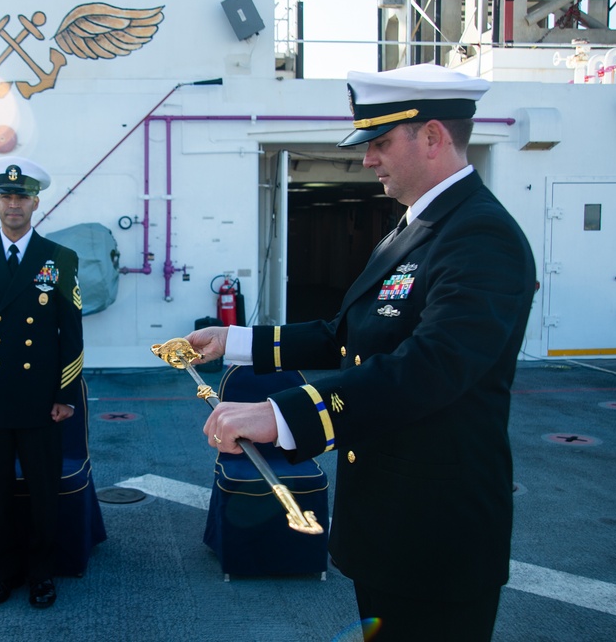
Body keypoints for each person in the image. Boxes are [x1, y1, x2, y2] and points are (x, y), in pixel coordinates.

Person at [187, 64, 535, 641]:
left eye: (379, 142)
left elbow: (433, 367)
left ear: (432, 137)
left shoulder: (481, 235)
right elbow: (343, 333)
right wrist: (237, 342)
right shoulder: (413, 229)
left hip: (436, 532)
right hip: (389, 519)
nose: (367, 159)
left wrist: (281, 414)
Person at [0, 156, 84, 609]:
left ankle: (42, 572)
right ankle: (3, 573)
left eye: (21, 196)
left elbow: (72, 332)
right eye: (6, 196)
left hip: (42, 398)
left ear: (35, 202)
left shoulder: (60, 259)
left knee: (45, 490)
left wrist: (66, 395)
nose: (13, 204)